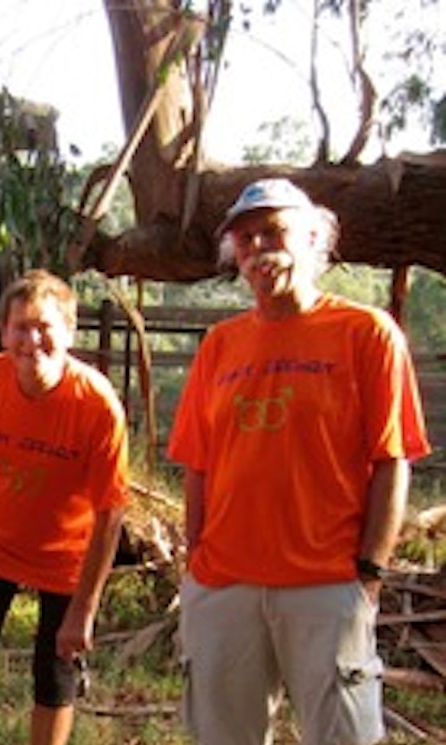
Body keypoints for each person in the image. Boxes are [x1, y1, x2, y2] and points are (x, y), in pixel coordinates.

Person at [168, 178, 430, 745]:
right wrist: (196, 569)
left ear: (314, 237)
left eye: (274, 232)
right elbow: (198, 465)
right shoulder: (220, 345)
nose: (259, 248)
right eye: (245, 238)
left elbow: (392, 461)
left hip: (326, 583)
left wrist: (369, 574)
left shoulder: (367, 335)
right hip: (225, 586)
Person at [0, 268, 129, 745]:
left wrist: (83, 610)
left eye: (45, 327)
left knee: (54, 675)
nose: (32, 340)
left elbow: (111, 511)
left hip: (65, 554)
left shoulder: (97, 405)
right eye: (20, 327)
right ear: (2, 332)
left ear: (69, 332)